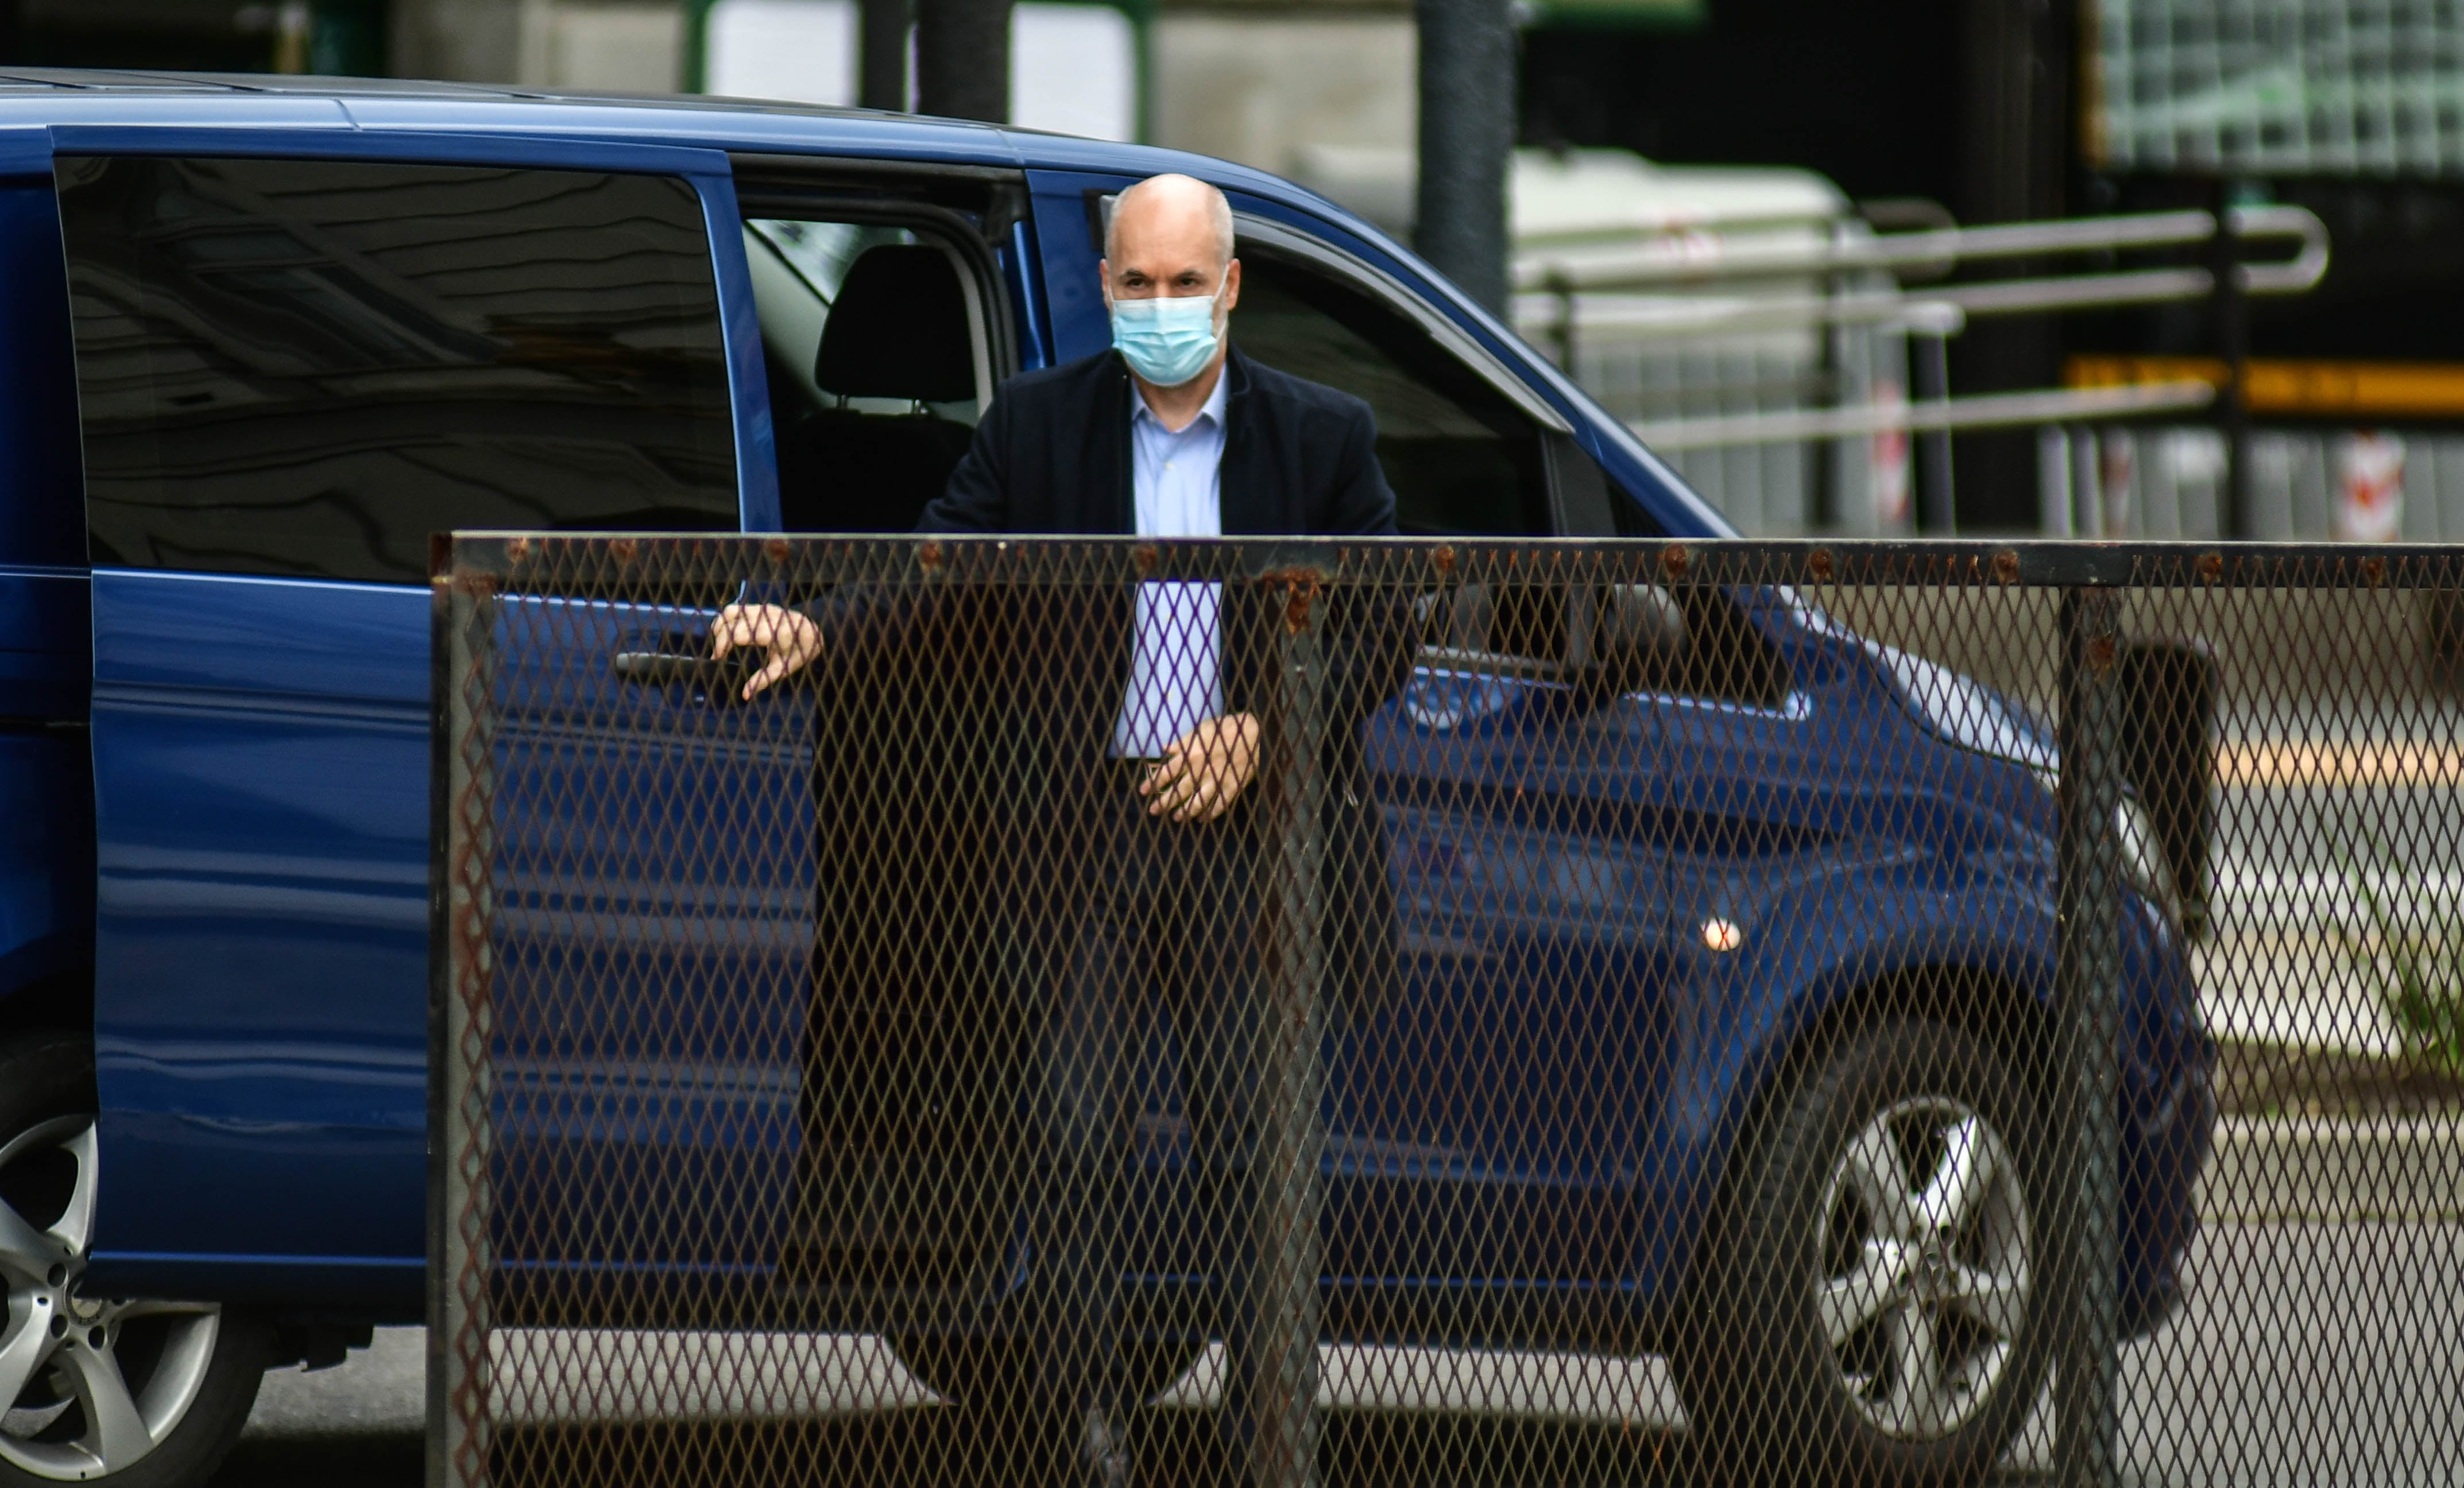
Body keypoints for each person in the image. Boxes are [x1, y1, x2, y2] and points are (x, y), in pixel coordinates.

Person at [710, 171, 1406, 1488]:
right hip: (1084, 835)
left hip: (1247, 847)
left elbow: (1382, 624)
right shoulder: (1041, 428)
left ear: (1230, 287)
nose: (1159, 308)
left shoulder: (1320, 436)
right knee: (1075, 1143)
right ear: (1103, 288)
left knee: (1254, 1157)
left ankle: (1275, 1441)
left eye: (1183, 284)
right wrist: (816, 626)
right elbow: (943, 563)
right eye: (1136, 285)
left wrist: (1264, 728)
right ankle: (1084, 1432)